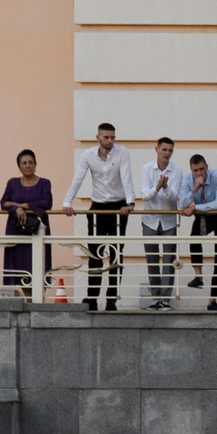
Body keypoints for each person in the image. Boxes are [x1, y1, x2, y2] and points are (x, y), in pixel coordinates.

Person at [65, 123, 134, 312]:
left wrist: (130, 203)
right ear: (98, 138)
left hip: (118, 207)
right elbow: (78, 178)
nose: (110, 141)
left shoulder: (122, 152)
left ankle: (111, 299)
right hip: (97, 207)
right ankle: (92, 297)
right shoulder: (88, 155)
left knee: (116, 255)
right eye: (106, 137)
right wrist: (67, 202)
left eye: (112, 137)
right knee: (95, 254)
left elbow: (126, 177)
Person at [135, 138, 190, 310]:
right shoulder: (146, 168)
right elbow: (144, 195)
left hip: (168, 220)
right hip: (150, 220)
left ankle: (165, 299)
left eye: (170, 150)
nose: (167, 153)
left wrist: (165, 188)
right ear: (157, 149)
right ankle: (155, 297)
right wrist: (158, 187)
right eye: (164, 150)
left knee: (168, 260)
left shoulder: (177, 170)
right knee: (152, 259)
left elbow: (175, 196)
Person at [0, 151, 52, 298]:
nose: (27, 165)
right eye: (24, 163)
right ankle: (29, 300)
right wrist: (16, 209)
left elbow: (46, 203)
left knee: (38, 264)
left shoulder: (44, 183)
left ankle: (37, 301)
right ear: (19, 166)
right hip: (17, 230)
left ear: (35, 164)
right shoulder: (13, 183)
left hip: (37, 230)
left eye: (30, 162)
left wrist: (19, 205)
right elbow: (4, 203)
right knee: (21, 266)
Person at [184, 153, 217, 310]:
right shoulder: (188, 179)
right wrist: (195, 188)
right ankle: (198, 276)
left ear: (207, 167)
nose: (199, 173)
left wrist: (195, 207)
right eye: (195, 170)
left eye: (202, 169)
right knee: (194, 238)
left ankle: (213, 300)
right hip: (203, 216)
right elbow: (182, 204)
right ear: (191, 170)